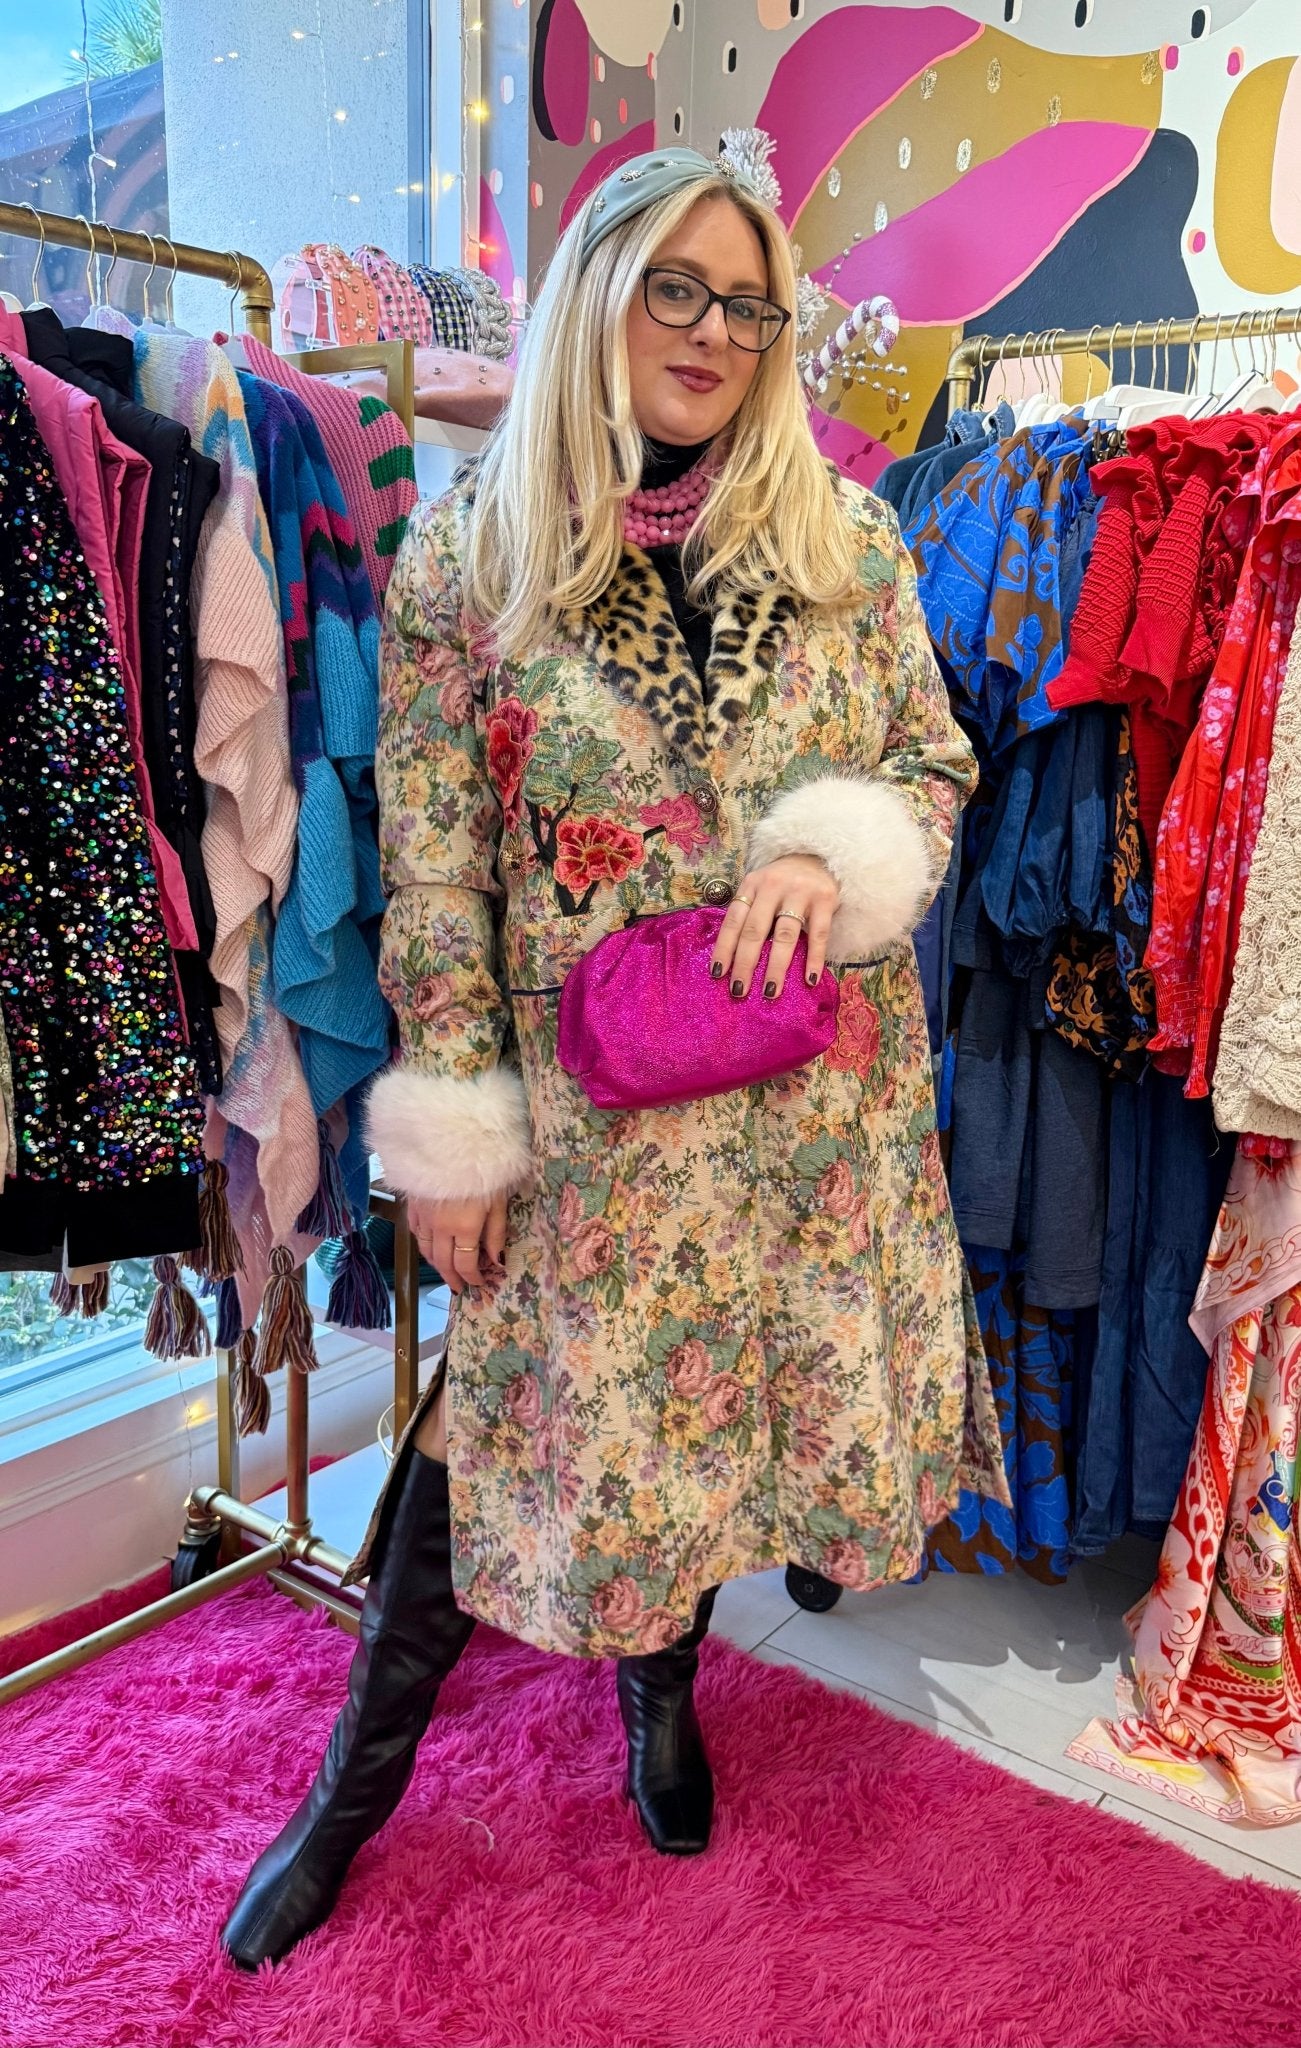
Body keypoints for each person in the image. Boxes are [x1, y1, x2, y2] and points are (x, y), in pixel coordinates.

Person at [221, 137, 1005, 1972]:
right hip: (593, 1132)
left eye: (747, 303)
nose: (714, 333)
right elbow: (432, 869)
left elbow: (935, 767)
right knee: (480, 1448)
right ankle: (350, 1791)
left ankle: (662, 1695)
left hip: (810, 1121)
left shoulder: (845, 543)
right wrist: (459, 1140)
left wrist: (835, 849)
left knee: (709, 1443)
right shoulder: (467, 565)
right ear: (598, 293)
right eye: (678, 287)